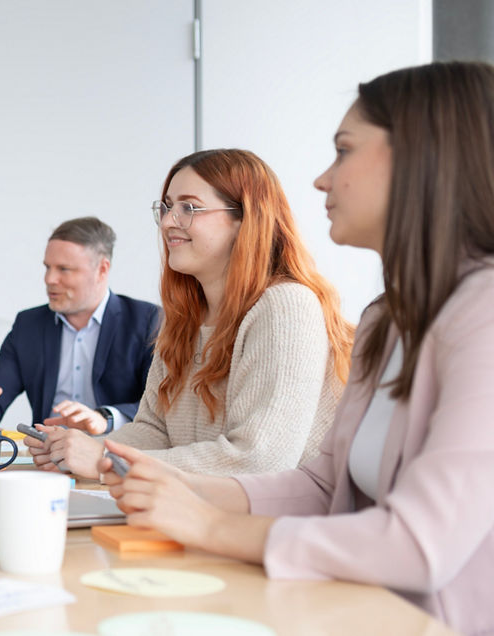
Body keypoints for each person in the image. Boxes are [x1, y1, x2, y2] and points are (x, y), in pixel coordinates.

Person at [101, 61, 494, 635]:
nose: (321, 180)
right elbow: (321, 485)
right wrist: (174, 489)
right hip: (343, 609)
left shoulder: (483, 315)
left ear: (422, 156)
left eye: (344, 151)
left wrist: (207, 525)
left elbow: (417, 543)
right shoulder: (387, 319)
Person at [28, 149, 355, 478]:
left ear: (245, 219)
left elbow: (257, 460)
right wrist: (78, 448)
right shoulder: (183, 319)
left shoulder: (285, 306)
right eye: (168, 207)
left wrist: (104, 459)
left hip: (272, 524)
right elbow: (154, 432)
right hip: (201, 513)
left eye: (189, 208)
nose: (169, 222)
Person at [0, 217, 160, 433]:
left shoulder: (147, 321)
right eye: (48, 267)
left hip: (114, 452)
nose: (49, 279)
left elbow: (159, 405)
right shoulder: (28, 325)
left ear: (102, 269)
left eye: (64, 269)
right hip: (46, 454)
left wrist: (105, 419)